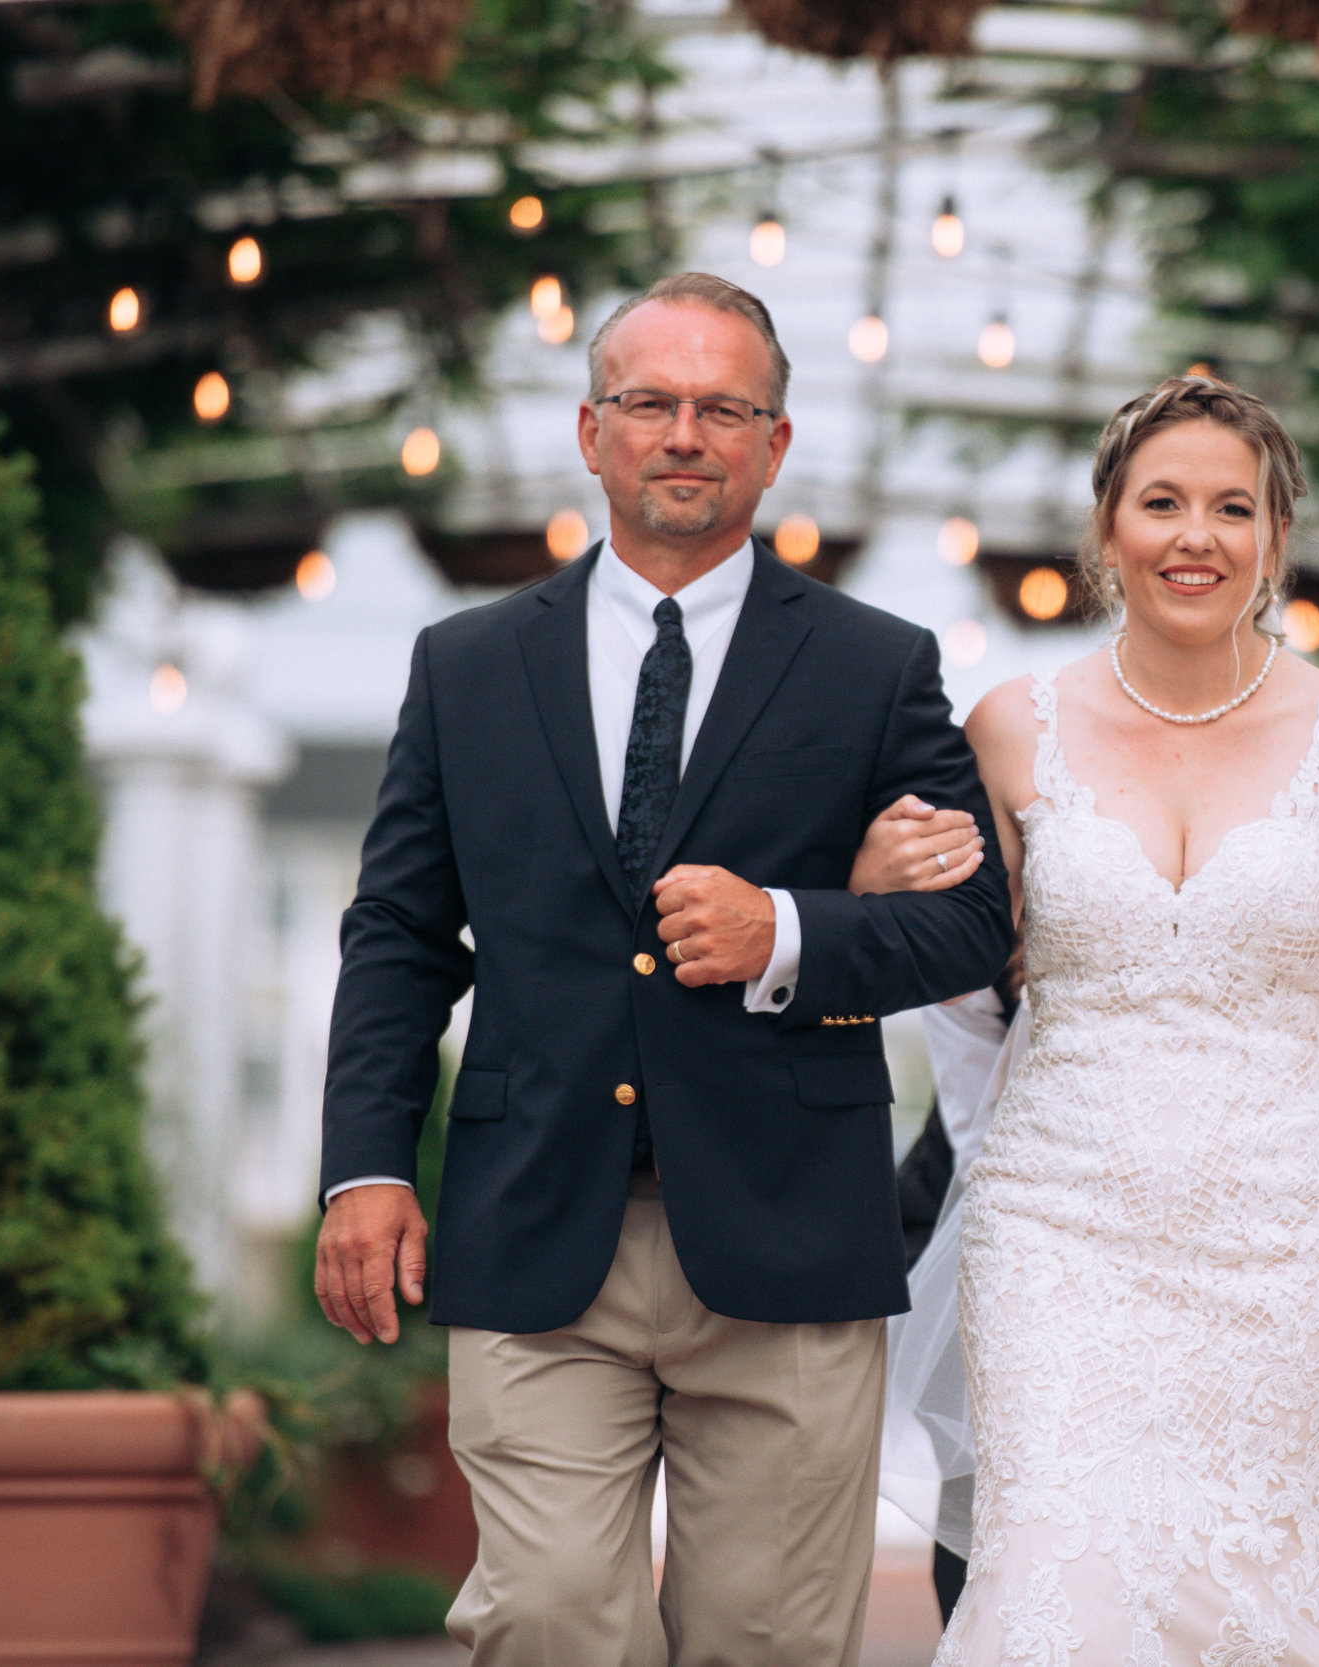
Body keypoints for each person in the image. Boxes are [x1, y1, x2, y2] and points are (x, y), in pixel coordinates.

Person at [311, 271, 1013, 1667]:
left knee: (763, 1643)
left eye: (722, 408)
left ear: (774, 442)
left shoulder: (877, 668)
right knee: (553, 1620)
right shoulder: (465, 665)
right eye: (651, 403)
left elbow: (975, 924)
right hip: (534, 1227)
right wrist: (366, 1166)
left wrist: (789, 936)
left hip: (788, 1231)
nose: (684, 433)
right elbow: (398, 932)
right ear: (591, 432)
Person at [868, 374, 1319, 1663]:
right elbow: (956, 956)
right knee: (1060, 1584)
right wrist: (868, 879)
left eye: (1233, 508)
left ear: (1276, 537)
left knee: (1268, 1597)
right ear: (1106, 530)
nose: (1198, 536)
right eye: (1162, 503)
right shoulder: (1013, 729)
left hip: (1292, 1227)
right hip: (1057, 1225)